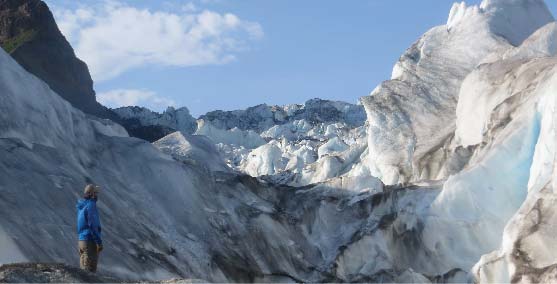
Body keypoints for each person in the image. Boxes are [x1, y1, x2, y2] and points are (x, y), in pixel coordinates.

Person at [76, 184, 103, 272]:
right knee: (89, 271)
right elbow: (93, 225)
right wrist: (98, 242)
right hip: (89, 241)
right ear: (91, 194)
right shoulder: (91, 205)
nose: (97, 195)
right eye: (95, 193)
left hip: (81, 241)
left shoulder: (81, 206)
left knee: (84, 270)